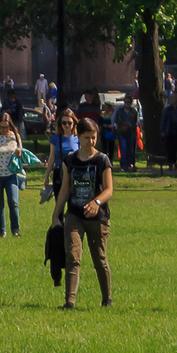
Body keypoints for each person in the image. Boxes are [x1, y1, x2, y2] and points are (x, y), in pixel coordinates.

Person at [52, 113, 114, 310]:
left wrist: (96, 201)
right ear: (78, 136)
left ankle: (107, 299)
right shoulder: (70, 160)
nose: (91, 141)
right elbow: (64, 190)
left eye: (94, 136)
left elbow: (109, 189)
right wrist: (56, 215)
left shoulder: (102, 160)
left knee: (100, 259)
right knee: (73, 256)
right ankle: (69, 302)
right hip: (75, 216)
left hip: (98, 217)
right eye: (87, 137)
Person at [0, 111, 25, 241]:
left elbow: (20, 153)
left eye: (6, 127)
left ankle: (15, 230)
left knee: (13, 202)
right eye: (2, 127)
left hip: (11, 175)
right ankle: (1, 231)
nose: (4, 129)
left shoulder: (15, 137)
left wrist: (19, 154)